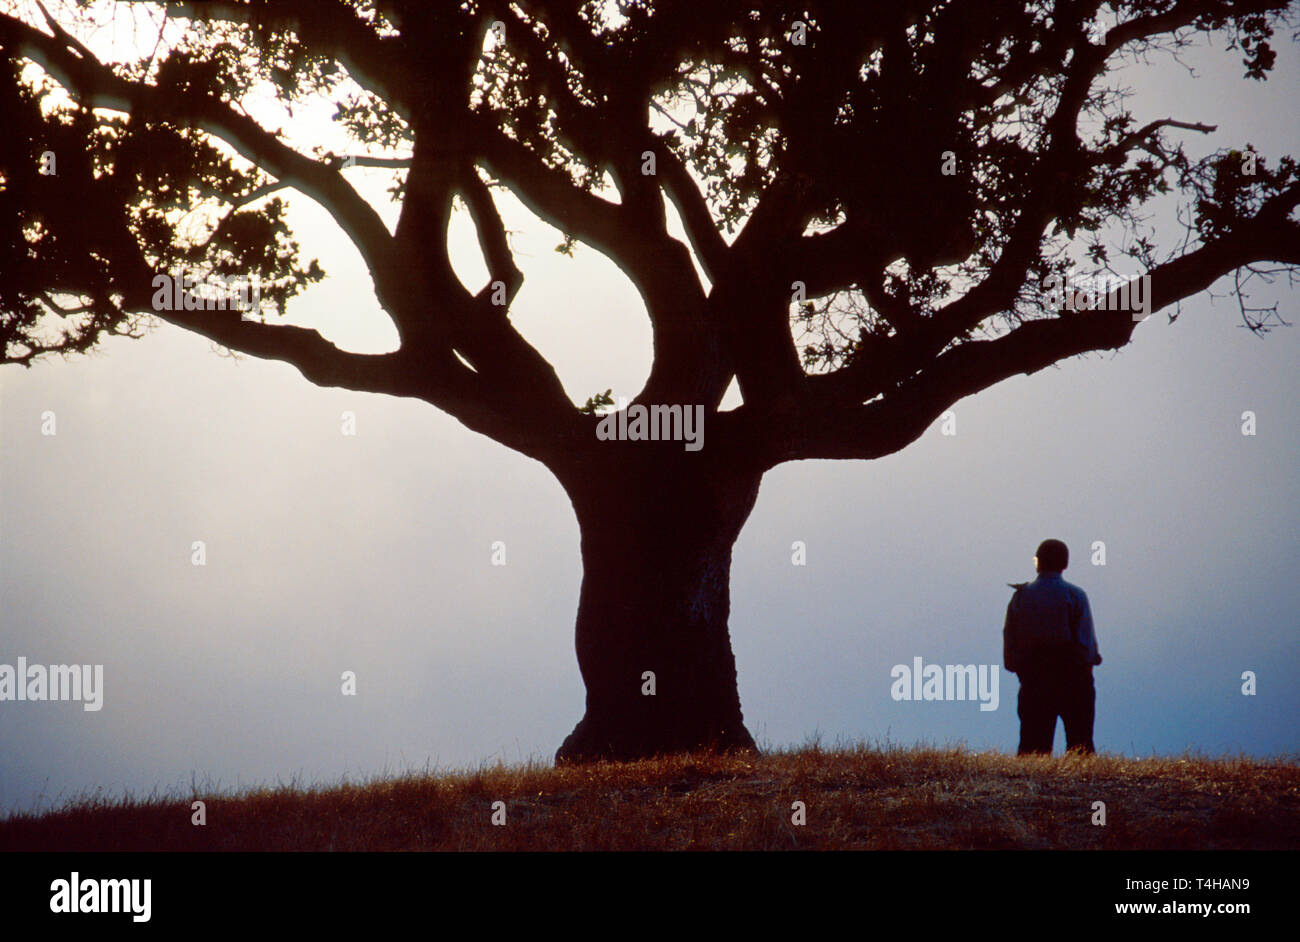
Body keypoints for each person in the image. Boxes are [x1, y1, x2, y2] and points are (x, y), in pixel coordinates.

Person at [1002, 539, 1102, 755]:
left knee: (1032, 750)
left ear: (1037, 562)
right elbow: (1086, 646)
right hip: (1073, 680)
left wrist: (1021, 671)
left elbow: (1010, 644)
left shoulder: (1021, 597)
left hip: (1034, 681)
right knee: (1080, 748)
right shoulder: (1076, 595)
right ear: (1064, 564)